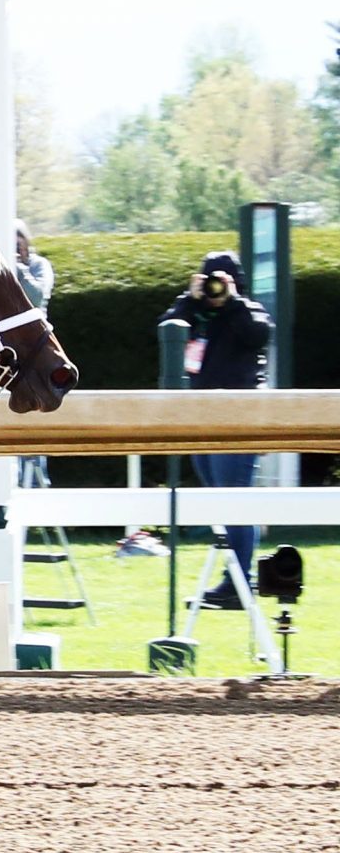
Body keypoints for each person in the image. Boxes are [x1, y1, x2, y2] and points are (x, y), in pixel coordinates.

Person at [158, 249, 274, 608]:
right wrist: (188, 299)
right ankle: (234, 579)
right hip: (201, 419)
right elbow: (165, 330)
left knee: (234, 500)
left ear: (236, 282)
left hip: (238, 421)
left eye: (221, 280)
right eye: (210, 279)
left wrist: (232, 301)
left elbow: (259, 334)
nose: (215, 287)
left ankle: (240, 583)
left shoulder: (248, 310)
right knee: (219, 502)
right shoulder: (194, 313)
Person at [14, 218, 55, 487]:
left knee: (36, 413)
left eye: (18, 243)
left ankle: (39, 482)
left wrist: (15, 266)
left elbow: (37, 296)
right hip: (11, 351)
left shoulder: (39, 266)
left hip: (37, 349)